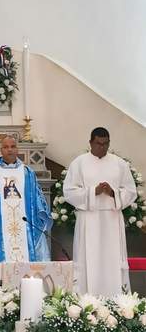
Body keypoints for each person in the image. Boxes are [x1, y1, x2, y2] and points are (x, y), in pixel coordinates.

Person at [63, 127, 137, 297]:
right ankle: (86, 299)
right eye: (98, 144)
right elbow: (68, 192)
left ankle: (117, 300)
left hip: (111, 219)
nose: (102, 147)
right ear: (90, 143)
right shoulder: (79, 163)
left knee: (111, 261)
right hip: (88, 218)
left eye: (106, 144)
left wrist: (113, 193)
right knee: (88, 261)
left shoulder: (119, 164)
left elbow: (131, 191)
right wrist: (92, 192)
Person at [0, 136, 52, 269]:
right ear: (0, 150)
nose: (9, 150)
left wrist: (40, 216)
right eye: (6, 147)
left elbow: (37, 199)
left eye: (13, 146)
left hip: (24, 227)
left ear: (17, 149)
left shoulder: (27, 173)